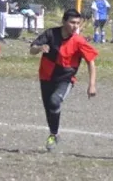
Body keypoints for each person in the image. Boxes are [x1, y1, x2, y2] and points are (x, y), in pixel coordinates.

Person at [29, 9, 98, 152]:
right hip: (46, 76)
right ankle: (54, 133)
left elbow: (91, 62)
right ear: (64, 22)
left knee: (55, 101)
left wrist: (91, 85)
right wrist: (40, 48)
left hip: (65, 79)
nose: (75, 26)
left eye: (77, 23)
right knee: (49, 108)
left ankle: (53, 135)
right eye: (72, 22)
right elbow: (32, 50)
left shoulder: (78, 41)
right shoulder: (50, 34)